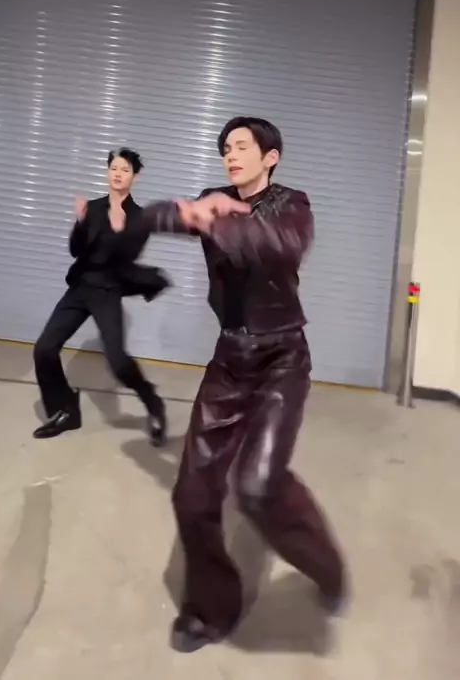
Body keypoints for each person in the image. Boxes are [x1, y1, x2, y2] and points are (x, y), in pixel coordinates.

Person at [118, 117, 346, 652]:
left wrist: (217, 221)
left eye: (242, 146)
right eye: (225, 148)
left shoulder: (292, 204)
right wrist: (181, 213)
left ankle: (327, 569)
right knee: (192, 494)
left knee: (259, 486)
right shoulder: (213, 199)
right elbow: (151, 216)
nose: (231, 154)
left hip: (282, 359)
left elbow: (280, 246)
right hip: (229, 360)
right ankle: (210, 610)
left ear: (271, 157)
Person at [32, 147, 170, 446]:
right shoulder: (94, 208)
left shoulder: (140, 217)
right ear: (108, 172)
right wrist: (80, 222)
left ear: (135, 177)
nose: (118, 174)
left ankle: (153, 402)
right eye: (114, 168)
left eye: (125, 170)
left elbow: (128, 259)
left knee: (118, 363)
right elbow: (76, 250)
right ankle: (66, 410)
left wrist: (120, 229)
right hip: (81, 287)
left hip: (108, 290)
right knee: (43, 349)